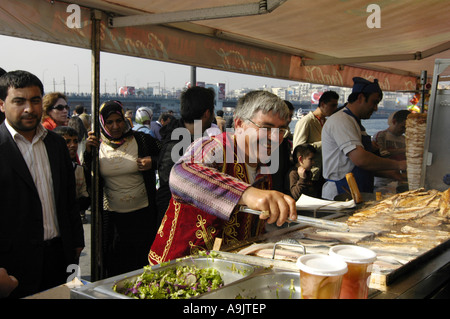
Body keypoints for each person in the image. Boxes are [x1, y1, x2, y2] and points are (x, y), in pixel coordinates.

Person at [149, 90, 296, 265]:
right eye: (266, 128)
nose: (274, 138)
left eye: (281, 130)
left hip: (229, 266)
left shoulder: (262, 165)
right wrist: (247, 194)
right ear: (239, 124)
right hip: (182, 266)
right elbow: (181, 173)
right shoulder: (216, 147)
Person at [0, 70, 84, 298]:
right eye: (19, 101)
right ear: (2, 104)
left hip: (59, 255)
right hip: (13, 263)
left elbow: (68, 197)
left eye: (35, 100)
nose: (28, 108)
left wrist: (76, 241)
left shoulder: (56, 144)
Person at [84, 100, 161, 277]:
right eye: (109, 122)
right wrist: (88, 154)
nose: (115, 126)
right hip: (113, 218)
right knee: (116, 265)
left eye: (118, 121)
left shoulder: (141, 139)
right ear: (102, 123)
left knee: (143, 265)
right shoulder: (97, 146)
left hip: (143, 215)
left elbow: (167, 154)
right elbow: (89, 180)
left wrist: (152, 162)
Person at [321, 77, 406, 200]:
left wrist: (391, 173)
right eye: (374, 102)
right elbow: (360, 159)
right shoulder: (342, 121)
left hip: (358, 191)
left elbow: (358, 166)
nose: (376, 108)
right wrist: (398, 165)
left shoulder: (355, 122)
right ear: (360, 98)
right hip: (341, 194)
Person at [155, 86, 216, 226]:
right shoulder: (177, 142)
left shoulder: (177, 133)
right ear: (207, 113)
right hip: (177, 219)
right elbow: (169, 184)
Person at [293, 91, 339, 195]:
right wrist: (326, 143)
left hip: (325, 172)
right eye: (332, 105)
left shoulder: (327, 122)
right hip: (311, 175)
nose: (335, 109)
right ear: (322, 104)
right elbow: (298, 149)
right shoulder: (306, 121)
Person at [54, 126, 90, 223]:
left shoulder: (79, 170)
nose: (73, 145)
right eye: (67, 142)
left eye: (75, 141)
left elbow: (85, 196)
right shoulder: (47, 170)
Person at [372, 109, 410, 193]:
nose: (404, 131)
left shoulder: (404, 139)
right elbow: (382, 153)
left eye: (406, 128)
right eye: (402, 127)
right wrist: (403, 150)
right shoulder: (381, 135)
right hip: (382, 182)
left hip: (398, 180)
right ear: (394, 121)